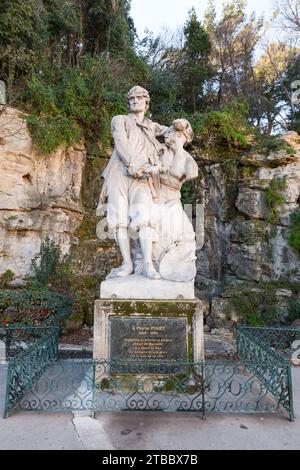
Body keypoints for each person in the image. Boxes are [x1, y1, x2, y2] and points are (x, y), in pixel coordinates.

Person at [97, 86, 168, 279]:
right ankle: (127, 264)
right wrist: (143, 167)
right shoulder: (119, 120)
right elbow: (122, 145)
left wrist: (182, 127)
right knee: (119, 220)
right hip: (121, 173)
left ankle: (147, 265)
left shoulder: (152, 127)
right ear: (128, 102)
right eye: (132, 98)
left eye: (139, 98)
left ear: (146, 102)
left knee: (144, 218)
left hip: (143, 178)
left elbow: (173, 133)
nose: (135, 101)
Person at [152, 118, 199, 281]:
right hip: (155, 199)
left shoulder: (189, 161)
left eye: (173, 132)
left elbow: (185, 174)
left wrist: (179, 146)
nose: (169, 135)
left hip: (173, 202)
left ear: (182, 136)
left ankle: (175, 268)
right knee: (153, 235)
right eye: (169, 131)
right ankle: (152, 267)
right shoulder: (159, 150)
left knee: (185, 236)